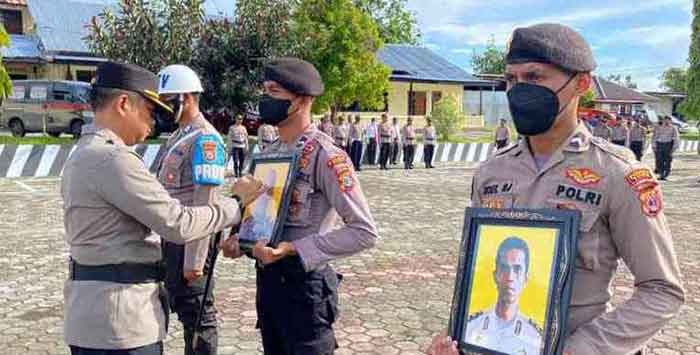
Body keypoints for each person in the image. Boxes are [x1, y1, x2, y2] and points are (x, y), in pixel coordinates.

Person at [429, 23, 684, 355]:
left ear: (581, 83)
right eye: (512, 79)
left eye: (534, 77)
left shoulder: (617, 173)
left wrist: (583, 349)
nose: (519, 90)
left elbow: (662, 290)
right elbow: (480, 275)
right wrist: (459, 336)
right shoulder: (492, 172)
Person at [61, 61, 262, 355]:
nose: (154, 121)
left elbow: (200, 196)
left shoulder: (84, 152)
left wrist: (195, 261)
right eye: (150, 109)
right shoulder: (113, 158)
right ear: (123, 103)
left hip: (97, 314)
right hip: (121, 321)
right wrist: (236, 203)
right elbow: (177, 222)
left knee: (198, 320)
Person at [220, 57, 378, 355]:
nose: (265, 99)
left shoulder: (326, 155)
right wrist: (238, 241)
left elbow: (364, 232)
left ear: (302, 100)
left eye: (275, 92)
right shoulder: (268, 154)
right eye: (264, 90)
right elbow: (259, 217)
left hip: (306, 292)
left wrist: (293, 249)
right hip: (268, 286)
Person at [155, 64, 231, 355]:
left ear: (185, 98)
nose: (160, 107)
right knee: (184, 307)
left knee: (198, 313)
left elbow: (206, 202)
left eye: (167, 100)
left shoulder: (206, 139)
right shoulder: (179, 135)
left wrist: (194, 261)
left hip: (191, 241)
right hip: (173, 236)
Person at [464, 237, 543, 355]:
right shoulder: (470, 327)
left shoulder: (537, 339)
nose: (510, 277)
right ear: (495, 275)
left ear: (525, 279)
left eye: (517, 269)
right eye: (505, 268)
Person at [653, 116, 680, 180]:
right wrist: (654, 145)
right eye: (665, 120)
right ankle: (661, 174)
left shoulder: (673, 128)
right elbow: (655, 137)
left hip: (668, 145)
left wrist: (674, 147)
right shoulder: (658, 127)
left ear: (670, 121)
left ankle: (666, 174)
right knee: (659, 160)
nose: (666, 122)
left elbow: (676, 138)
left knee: (668, 160)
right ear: (663, 120)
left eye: (668, 120)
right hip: (659, 144)